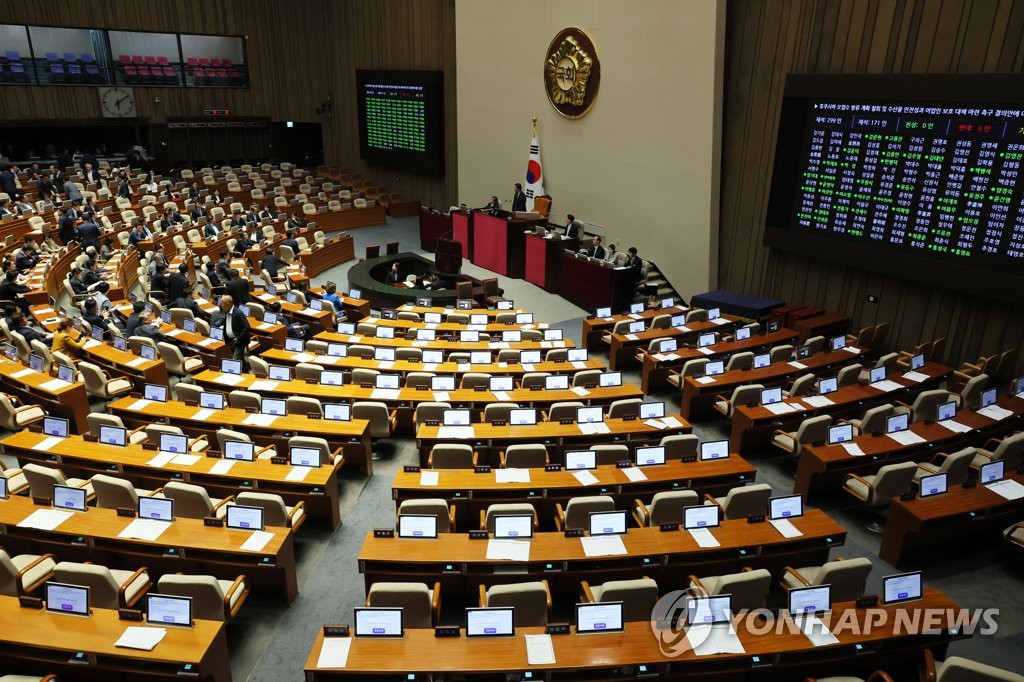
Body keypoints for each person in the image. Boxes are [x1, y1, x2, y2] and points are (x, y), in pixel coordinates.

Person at [215, 295, 250, 369]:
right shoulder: (226, 311)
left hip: (240, 341)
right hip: (230, 341)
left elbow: (247, 328)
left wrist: (238, 339)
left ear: (228, 304)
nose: (220, 305)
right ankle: (246, 372)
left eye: (222, 303)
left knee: (235, 361)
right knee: (241, 359)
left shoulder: (238, 313)